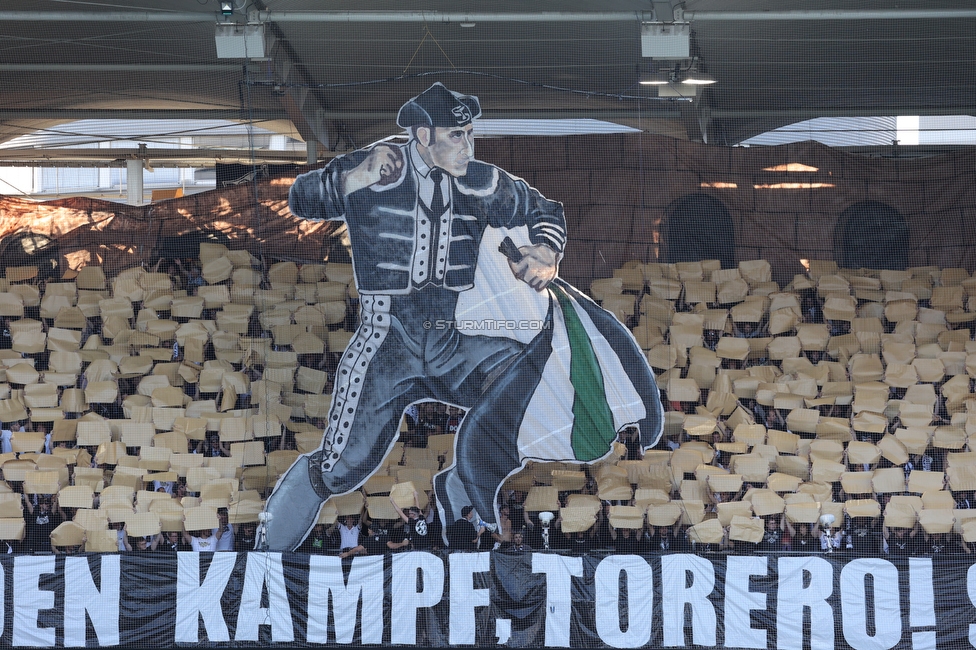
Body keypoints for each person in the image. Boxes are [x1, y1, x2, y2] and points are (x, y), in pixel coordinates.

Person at [258, 82, 663, 551]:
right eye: (457, 136)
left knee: (530, 372)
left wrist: (546, 251)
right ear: (422, 134)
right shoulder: (376, 166)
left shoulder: (481, 181)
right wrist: (353, 177)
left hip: (451, 339)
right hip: (387, 341)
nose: (468, 146)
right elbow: (302, 199)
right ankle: (259, 564)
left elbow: (544, 210)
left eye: (470, 134)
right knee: (341, 468)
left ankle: (461, 482)